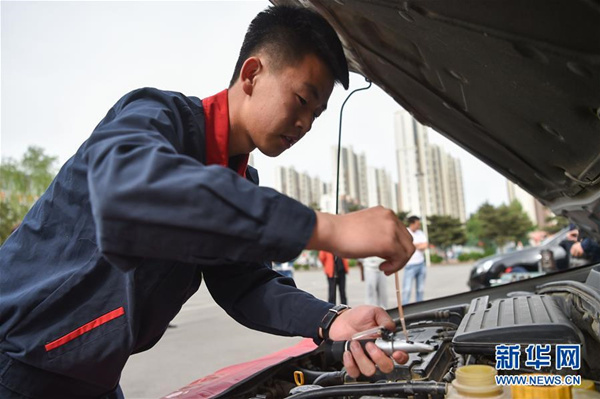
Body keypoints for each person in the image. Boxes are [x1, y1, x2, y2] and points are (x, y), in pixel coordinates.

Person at [0, 6, 415, 398]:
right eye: (302, 100)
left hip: (95, 380)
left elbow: (246, 284)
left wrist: (331, 320)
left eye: (317, 115)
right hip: (15, 363)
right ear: (251, 74)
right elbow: (132, 193)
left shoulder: (240, 183)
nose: (305, 124)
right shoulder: (153, 117)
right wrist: (328, 228)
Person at [402, 216, 429, 303]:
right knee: (407, 289)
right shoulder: (405, 232)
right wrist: (418, 245)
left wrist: (413, 244)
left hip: (421, 264)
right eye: (418, 224)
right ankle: (405, 309)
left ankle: (419, 307)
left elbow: (425, 245)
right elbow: (405, 246)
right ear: (412, 223)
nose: (419, 226)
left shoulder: (420, 233)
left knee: (420, 289)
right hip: (410, 265)